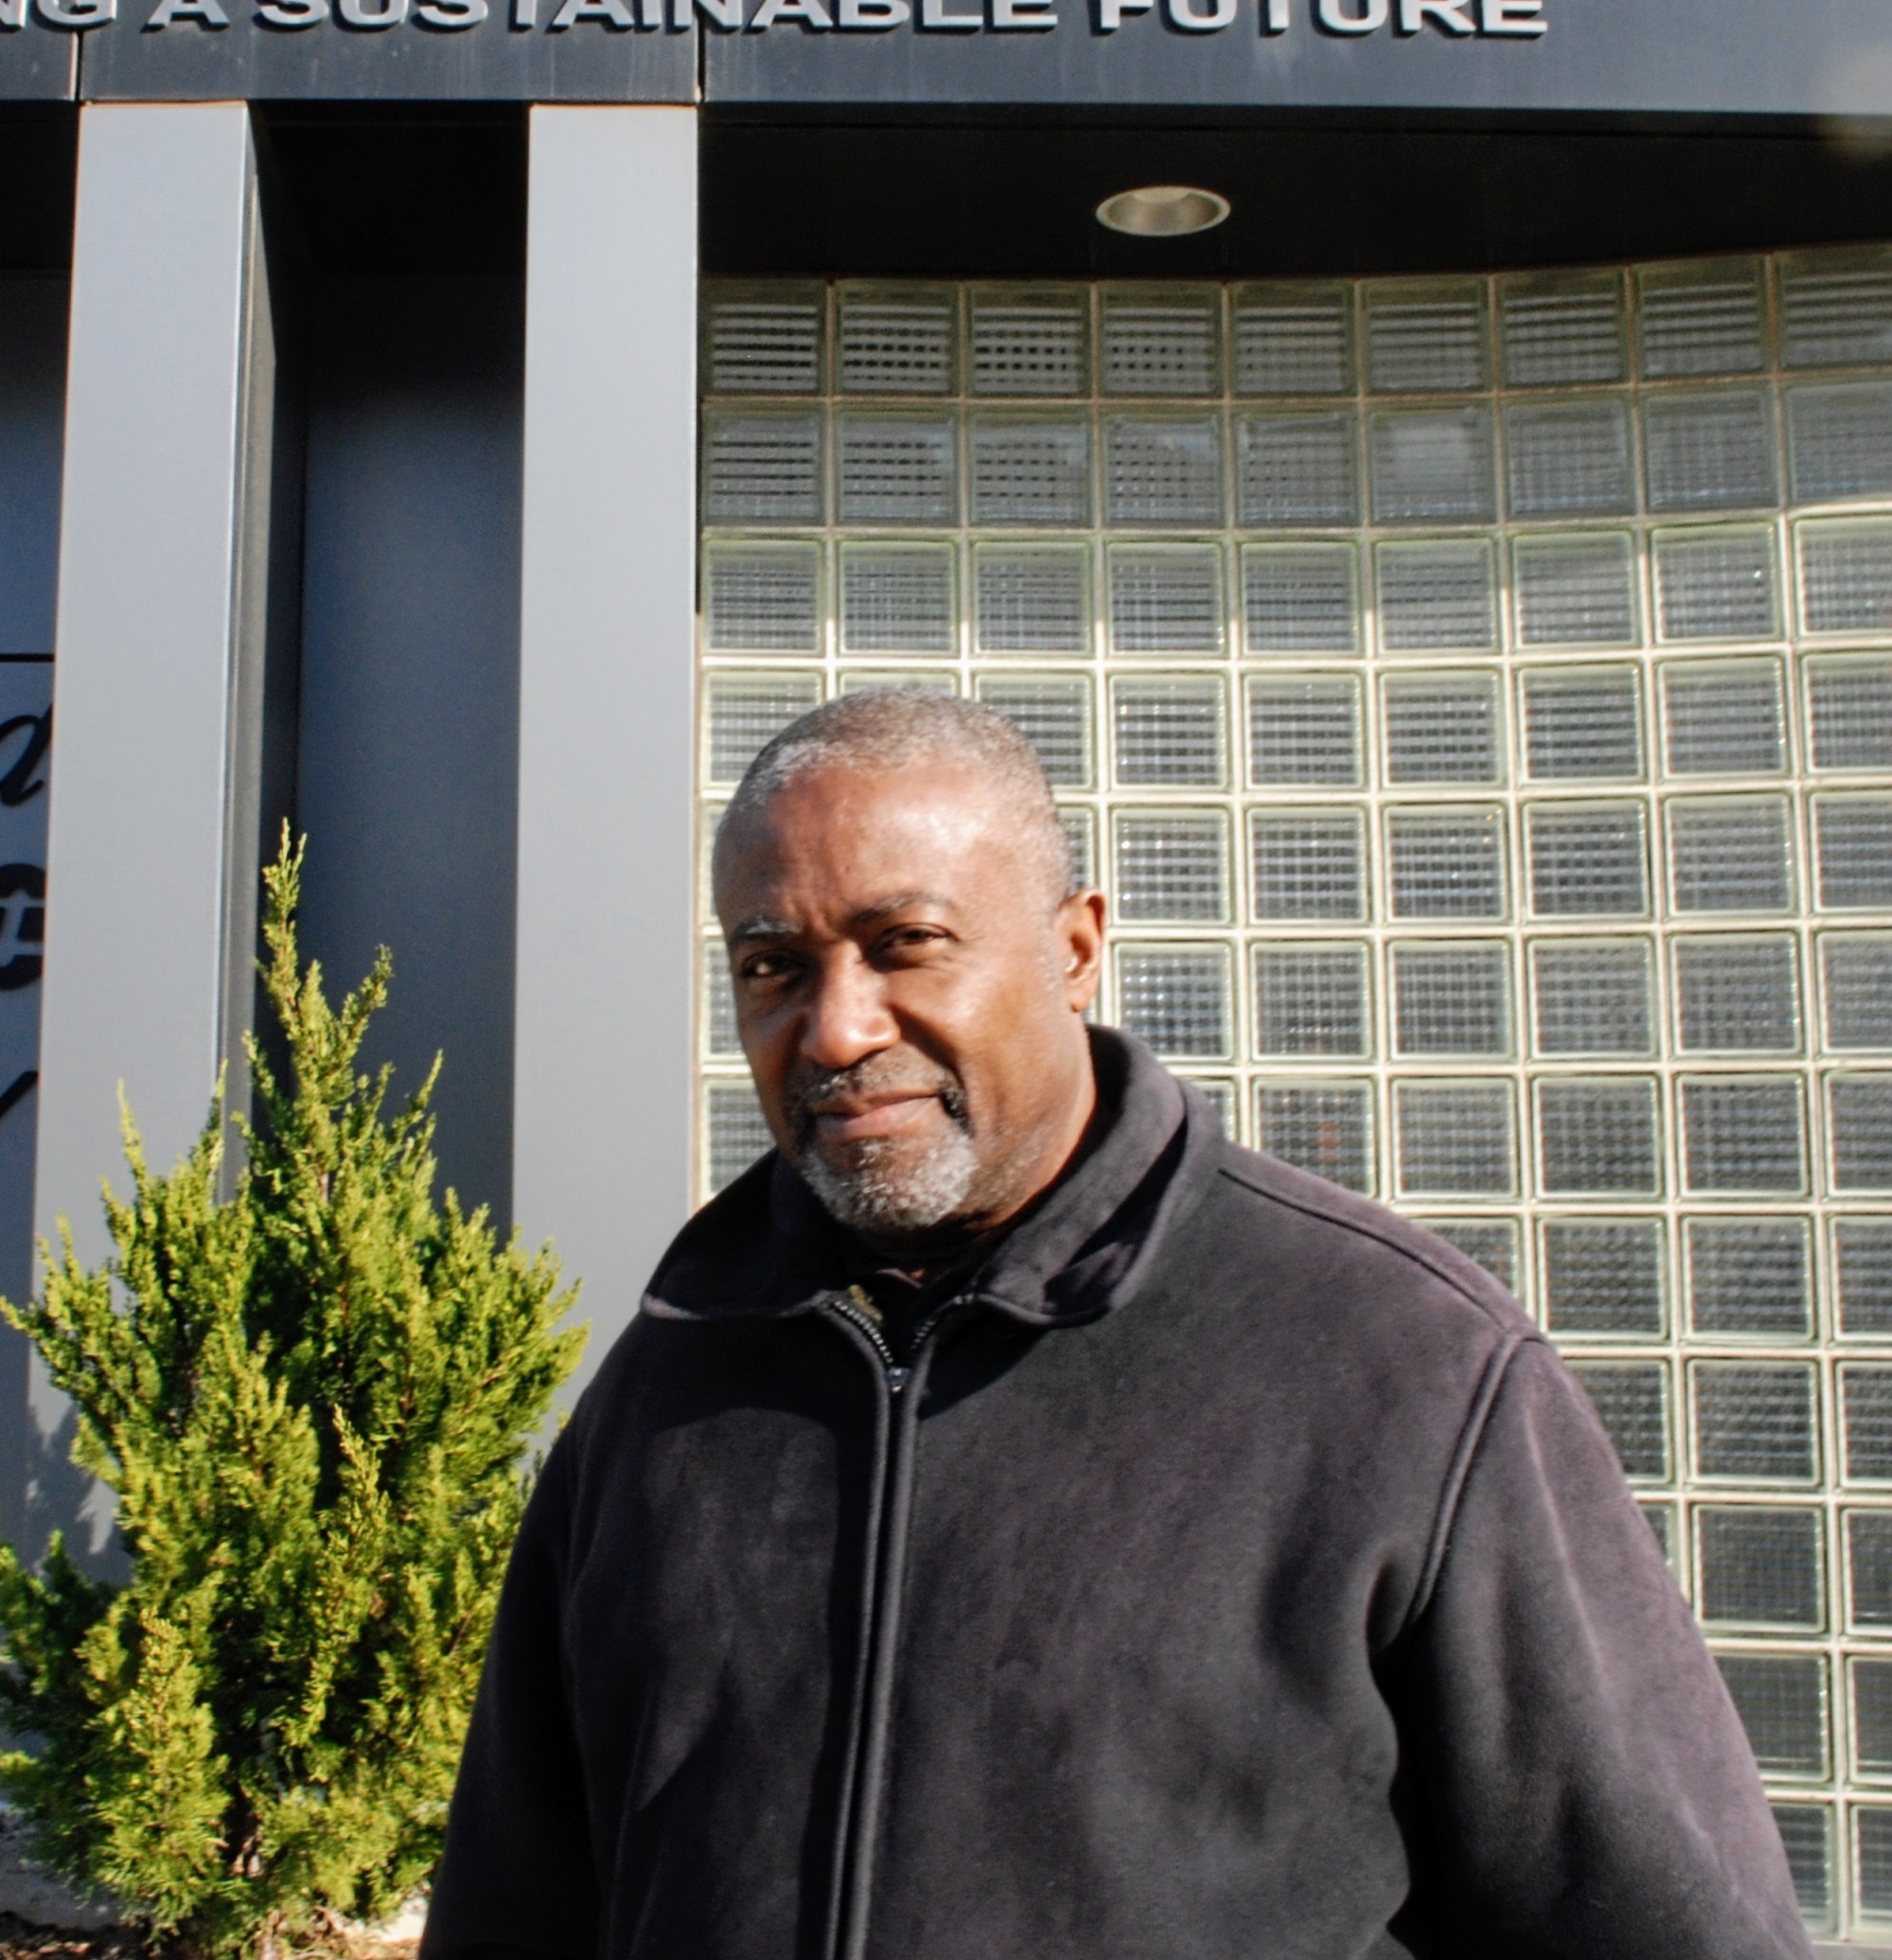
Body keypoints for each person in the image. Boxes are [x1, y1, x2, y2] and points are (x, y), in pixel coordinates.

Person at [422, 688, 1807, 1960]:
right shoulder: (669, 1383)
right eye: (772, 966)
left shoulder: (1406, 1372)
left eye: (906, 944)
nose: (836, 1028)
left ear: (1075, 948)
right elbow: (519, 1902)